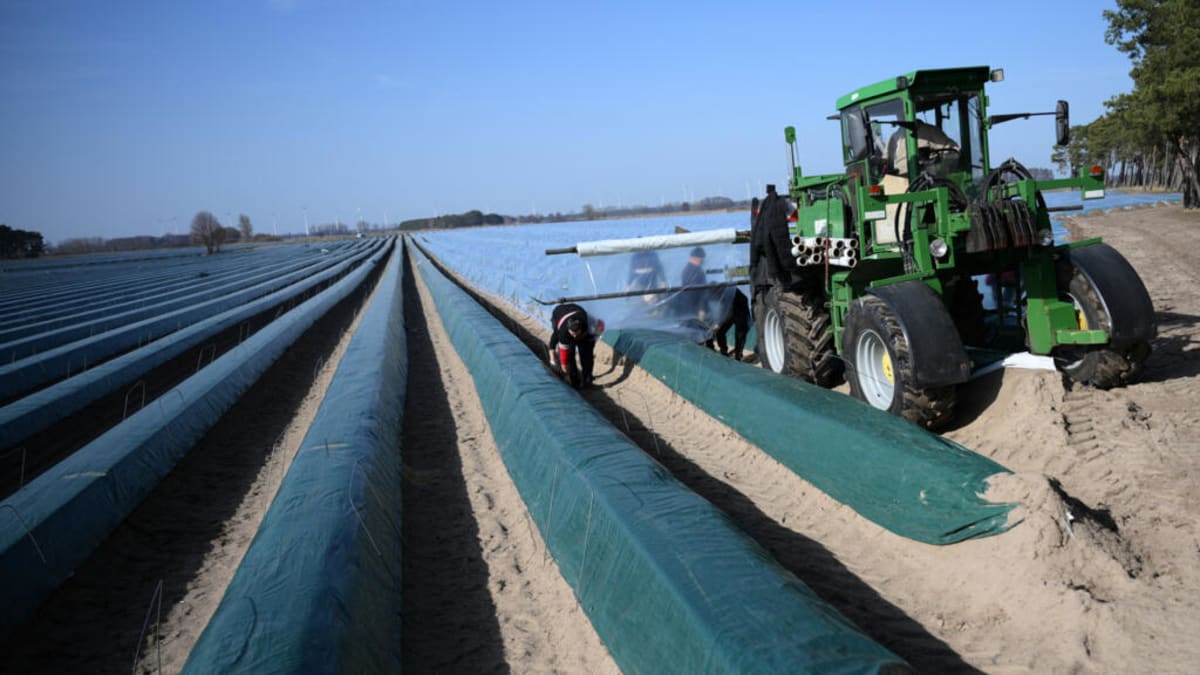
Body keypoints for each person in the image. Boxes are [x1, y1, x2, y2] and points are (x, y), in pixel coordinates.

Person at [547, 303, 603, 389]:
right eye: (572, 334)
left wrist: (592, 342)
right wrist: (564, 372)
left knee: (586, 353)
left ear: (581, 329)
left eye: (577, 334)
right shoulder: (562, 333)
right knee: (570, 354)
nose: (575, 336)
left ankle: (587, 378)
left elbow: (601, 326)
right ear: (568, 329)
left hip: (577, 311)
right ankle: (574, 381)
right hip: (559, 312)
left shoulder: (587, 324)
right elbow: (564, 358)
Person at [705, 287, 749, 360]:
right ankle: (724, 351)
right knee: (720, 332)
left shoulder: (727, 293)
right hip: (730, 309)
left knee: (740, 333)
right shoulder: (714, 294)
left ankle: (738, 355)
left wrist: (718, 324)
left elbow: (728, 312)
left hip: (741, 308)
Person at [673, 246, 709, 321]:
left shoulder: (691, 269)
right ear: (696, 258)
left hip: (690, 304)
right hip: (692, 306)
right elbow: (699, 291)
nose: (703, 261)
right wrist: (701, 309)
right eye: (702, 259)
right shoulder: (695, 271)